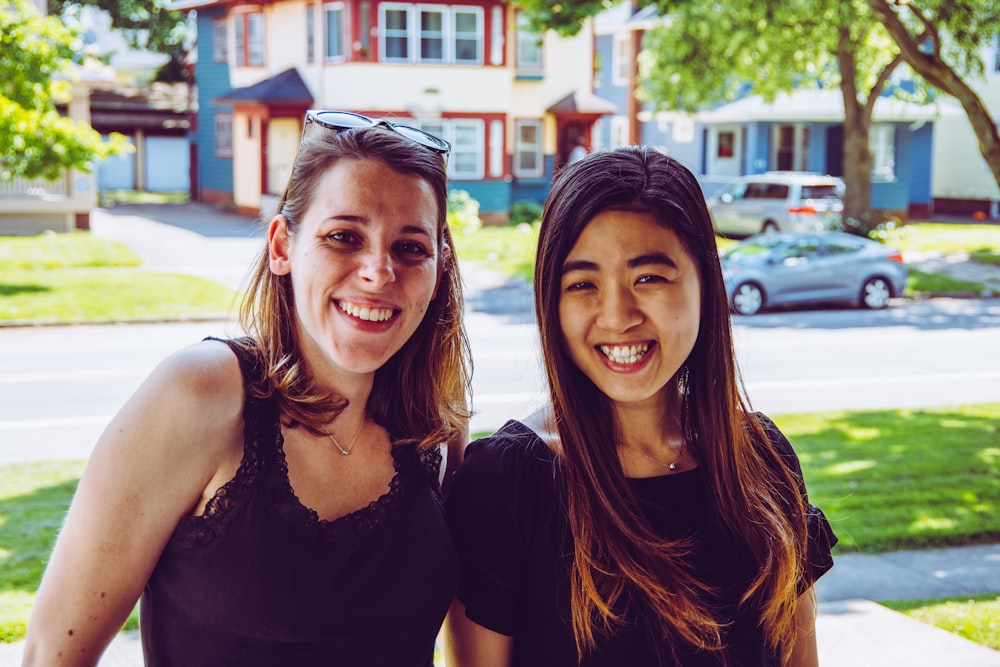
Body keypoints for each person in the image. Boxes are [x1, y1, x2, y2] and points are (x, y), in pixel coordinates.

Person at [23, 111, 471, 667]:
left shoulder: (438, 429)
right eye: (343, 237)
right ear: (283, 245)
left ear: (439, 267)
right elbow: (51, 655)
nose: (378, 272)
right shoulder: (199, 395)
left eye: (411, 248)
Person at [444, 146, 837, 667]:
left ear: (705, 283)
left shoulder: (764, 459)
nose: (617, 316)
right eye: (582, 284)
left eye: (649, 277)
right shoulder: (505, 482)